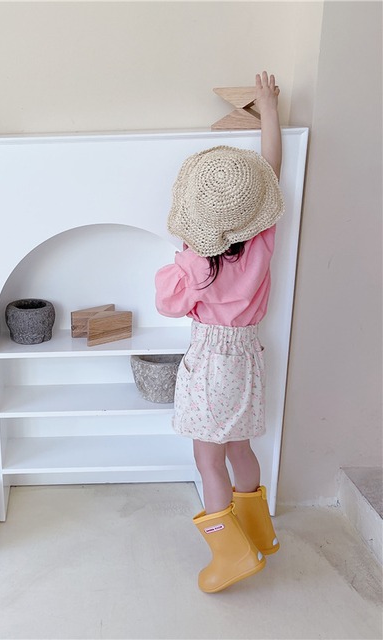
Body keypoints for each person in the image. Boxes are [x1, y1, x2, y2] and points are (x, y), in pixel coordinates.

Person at [155, 71, 282, 594]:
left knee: (207, 460)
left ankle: (230, 555)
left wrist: (185, 257)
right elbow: (271, 171)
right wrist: (269, 109)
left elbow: (166, 304)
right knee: (239, 449)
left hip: (210, 363)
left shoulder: (194, 263)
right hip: (248, 357)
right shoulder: (263, 239)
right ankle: (258, 531)